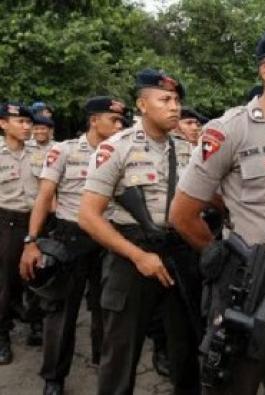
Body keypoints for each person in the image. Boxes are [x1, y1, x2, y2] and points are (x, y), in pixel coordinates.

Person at [169, 30, 265, 395]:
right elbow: (183, 212)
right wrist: (218, 256)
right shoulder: (229, 130)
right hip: (250, 280)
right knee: (235, 382)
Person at [78, 69, 200, 395]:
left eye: (176, 100)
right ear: (142, 105)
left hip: (178, 251)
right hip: (131, 253)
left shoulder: (187, 148)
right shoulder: (117, 147)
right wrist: (138, 255)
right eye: (165, 100)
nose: (174, 106)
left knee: (186, 348)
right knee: (120, 352)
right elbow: (89, 216)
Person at [19, 96, 125, 395]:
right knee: (61, 312)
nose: (119, 126)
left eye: (121, 121)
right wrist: (32, 240)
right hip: (71, 237)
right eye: (113, 119)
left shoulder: (121, 152)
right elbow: (44, 196)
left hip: (107, 236)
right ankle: (54, 378)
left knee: (106, 308)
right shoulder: (64, 150)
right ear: (94, 120)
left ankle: (103, 363)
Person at [0, 103, 38, 365]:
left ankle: (36, 325)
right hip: (7, 222)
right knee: (5, 282)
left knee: (36, 277)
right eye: (20, 121)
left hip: (36, 222)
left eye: (28, 122)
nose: (27, 127)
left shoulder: (38, 152)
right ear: (3, 124)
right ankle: (2, 336)